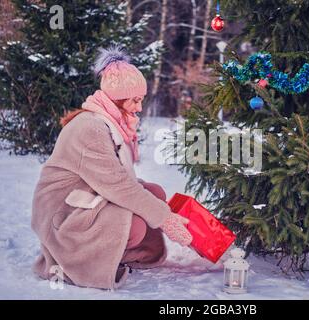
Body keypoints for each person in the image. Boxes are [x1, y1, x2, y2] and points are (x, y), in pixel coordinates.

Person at [31, 46, 193, 290]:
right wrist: (165, 219)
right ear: (118, 99)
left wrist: (157, 208)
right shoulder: (91, 129)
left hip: (85, 198)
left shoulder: (109, 123)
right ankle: (88, 259)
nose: (139, 108)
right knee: (134, 223)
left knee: (154, 192)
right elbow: (118, 186)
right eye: (135, 100)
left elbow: (119, 181)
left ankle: (118, 252)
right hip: (62, 213)